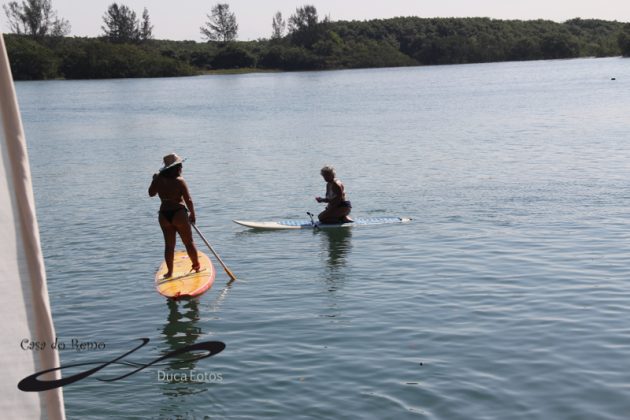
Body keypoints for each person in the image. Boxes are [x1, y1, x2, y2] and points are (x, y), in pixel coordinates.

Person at [149, 153, 200, 278]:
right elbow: (188, 200)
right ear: (177, 167)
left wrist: (154, 180)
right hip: (178, 213)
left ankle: (169, 272)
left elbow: (151, 193)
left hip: (164, 215)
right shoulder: (179, 180)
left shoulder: (159, 179)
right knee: (188, 242)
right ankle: (196, 266)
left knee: (169, 245)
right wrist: (193, 214)